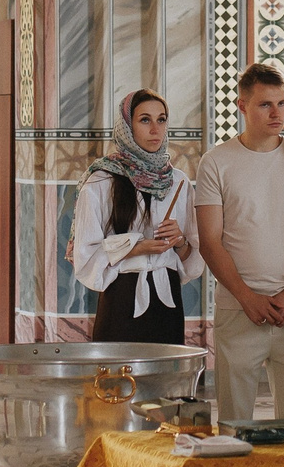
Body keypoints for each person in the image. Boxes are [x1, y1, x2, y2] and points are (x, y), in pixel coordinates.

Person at [195, 64, 284, 425]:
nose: (277, 113)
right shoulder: (216, 162)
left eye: (282, 103)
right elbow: (209, 241)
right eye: (266, 104)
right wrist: (246, 297)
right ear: (242, 106)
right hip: (238, 308)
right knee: (235, 423)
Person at [72, 90, 201, 344]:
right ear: (127, 126)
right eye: (145, 120)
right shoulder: (101, 181)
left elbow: (191, 260)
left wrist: (180, 242)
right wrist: (134, 248)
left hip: (168, 299)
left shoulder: (178, 182)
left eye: (161, 119)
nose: (155, 129)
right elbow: (85, 257)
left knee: (165, 380)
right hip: (122, 298)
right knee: (117, 380)